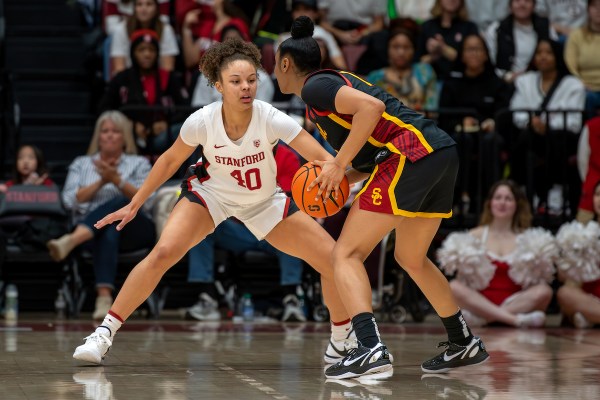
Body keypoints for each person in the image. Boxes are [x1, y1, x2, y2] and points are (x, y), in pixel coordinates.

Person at [72, 38, 384, 379]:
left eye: (251, 79)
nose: (246, 87)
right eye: (236, 81)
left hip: (264, 201)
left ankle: (340, 340)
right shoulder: (202, 120)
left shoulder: (271, 117)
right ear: (218, 85)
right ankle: (102, 335)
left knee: (334, 261)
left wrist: (350, 175)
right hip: (210, 197)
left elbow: (323, 159)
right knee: (163, 252)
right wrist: (135, 203)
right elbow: (168, 161)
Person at [274, 16, 489, 376]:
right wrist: (338, 182)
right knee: (412, 258)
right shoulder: (327, 93)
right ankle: (463, 341)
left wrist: (337, 166)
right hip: (437, 152)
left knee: (345, 253)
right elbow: (368, 157)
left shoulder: (316, 86)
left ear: (284, 63)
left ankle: (370, 349)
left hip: (410, 155)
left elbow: (371, 111)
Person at [46, 111, 156, 320]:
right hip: (97, 234)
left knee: (122, 203)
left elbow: (149, 200)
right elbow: (69, 200)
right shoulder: (82, 163)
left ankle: (71, 240)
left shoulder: (139, 163)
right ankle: (104, 298)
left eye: (115, 131)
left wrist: (117, 181)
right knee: (110, 228)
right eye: (105, 131)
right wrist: (101, 182)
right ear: (98, 136)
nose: (110, 136)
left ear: (125, 137)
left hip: (135, 230)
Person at [185, 143, 307, 322]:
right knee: (199, 227)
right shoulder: (227, 154)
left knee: (293, 231)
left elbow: (289, 198)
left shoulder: (286, 156)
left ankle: (292, 300)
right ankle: (207, 296)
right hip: (239, 229)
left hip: (272, 228)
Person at [437, 180, 556, 327]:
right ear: (490, 202)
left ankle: (484, 320)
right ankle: (514, 320)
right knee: (454, 286)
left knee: (544, 291)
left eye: (508, 199)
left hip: (517, 301)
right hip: (480, 300)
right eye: (498, 198)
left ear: (517, 205)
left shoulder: (528, 238)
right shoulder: (475, 235)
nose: (502, 203)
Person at [509, 38, 585, 215]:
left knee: (556, 138)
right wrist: (532, 123)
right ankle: (525, 191)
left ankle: (557, 191)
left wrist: (547, 126)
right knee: (524, 137)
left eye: (548, 53)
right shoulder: (525, 81)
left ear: (557, 56)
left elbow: (574, 122)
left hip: (564, 137)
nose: (543, 57)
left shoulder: (573, 84)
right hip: (532, 133)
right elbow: (515, 112)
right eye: (539, 53)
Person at [100, 29, 190, 154]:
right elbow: (105, 109)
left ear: (157, 53)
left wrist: (166, 123)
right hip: (129, 137)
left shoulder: (169, 77)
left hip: (163, 136)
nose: (147, 54)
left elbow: (186, 109)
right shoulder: (121, 79)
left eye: (151, 50)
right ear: (133, 53)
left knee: (189, 130)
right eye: (141, 50)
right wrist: (129, 124)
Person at [555, 180, 600, 328]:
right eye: (598, 194)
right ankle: (591, 315)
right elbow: (563, 276)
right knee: (564, 293)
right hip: (590, 298)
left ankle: (591, 317)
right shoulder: (578, 232)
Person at [366, 27, 438, 112]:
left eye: (406, 47)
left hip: (420, 124)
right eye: (395, 47)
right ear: (387, 49)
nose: (401, 52)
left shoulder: (425, 71)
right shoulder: (375, 77)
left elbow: (432, 109)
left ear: (414, 50)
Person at [484, 0, 557, 82]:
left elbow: (555, 58)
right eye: (517, 1)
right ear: (510, 5)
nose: (522, 4)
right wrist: (507, 76)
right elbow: (488, 63)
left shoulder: (546, 28)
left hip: (539, 80)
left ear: (534, 5)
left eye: (527, 1)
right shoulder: (496, 29)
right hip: (505, 82)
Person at [109, 0, 179, 76]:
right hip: (129, 79)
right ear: (134, 8)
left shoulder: (166, 30)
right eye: (139, 4)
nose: (144, 9)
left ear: (156, 7)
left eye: (149, 4)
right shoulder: (121, 29)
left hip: (157, 81)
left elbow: (168, 69)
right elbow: (119, 69)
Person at [274, 0, 347, 70]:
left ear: (316, 13)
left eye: (306, 9)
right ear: (292, 13)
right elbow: (281, 68)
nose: (301, 13)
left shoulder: (324, 34)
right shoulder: (283, 38)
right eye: (297, 10)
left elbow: (340, 66)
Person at [416, 0, 479, 81]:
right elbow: (416, 63)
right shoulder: (427, 27)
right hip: (431, 81)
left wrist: (443, 49)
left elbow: (473, 60)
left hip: (462, 81)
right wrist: (433, 56)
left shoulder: (469, 27)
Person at [564, 0, 600, 119]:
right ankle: (587, 135)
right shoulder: (577, 35)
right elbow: (570, 65)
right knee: (587, 98)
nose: (598, 10)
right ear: (588, 9)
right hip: (585, 88)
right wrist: (580, 83)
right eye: (595, 6)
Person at [577, 117, 600, 222]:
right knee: (584, 228)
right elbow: (582, 160)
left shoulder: (591, 126)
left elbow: (582, 159)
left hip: (592, 183)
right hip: (593, 185)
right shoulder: (592, 126)